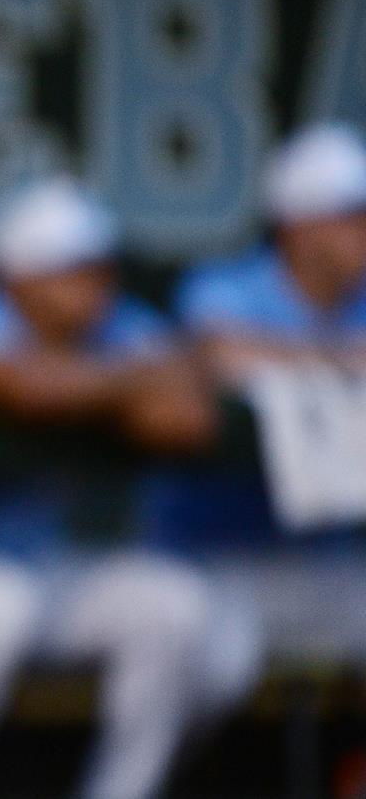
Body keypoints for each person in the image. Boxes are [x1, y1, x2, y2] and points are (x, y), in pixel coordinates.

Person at [0, 178, 258, 798]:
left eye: (98, 268)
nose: (94, 285)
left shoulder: (119, 327)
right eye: (70, 270)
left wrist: (94, 384)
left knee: (177, 609)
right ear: (16, 279)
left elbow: (188, 421)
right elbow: (21, 390)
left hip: (37, 567)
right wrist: (132, 382)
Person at [143, 123, 366, 665]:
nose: (362, 232)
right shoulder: (225, 286)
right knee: (210, 659)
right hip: (213, 559)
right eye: (350, 218)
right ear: (298, 229)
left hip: (334, 562)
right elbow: (216, 353)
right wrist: (342, 361)